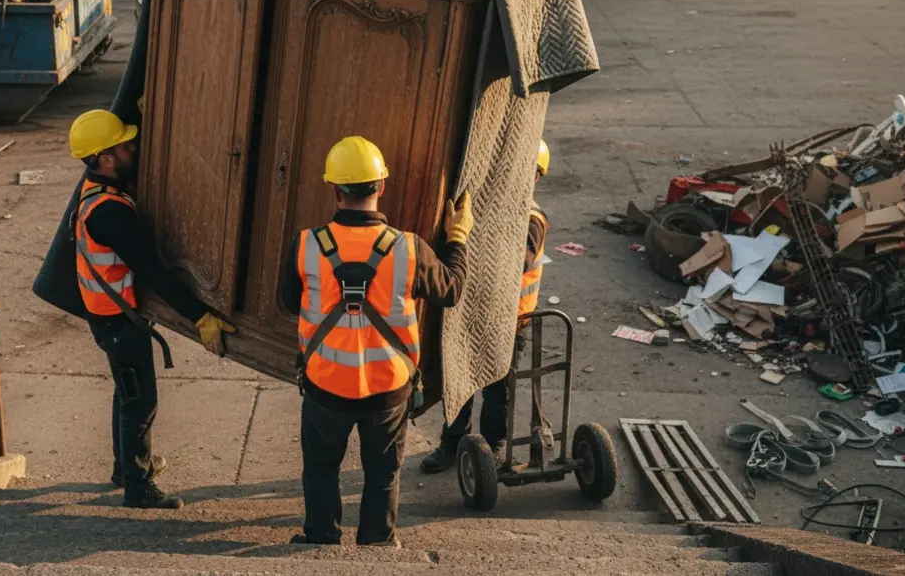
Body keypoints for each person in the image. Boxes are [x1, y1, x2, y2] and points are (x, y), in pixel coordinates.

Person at [279, 136, 472, 547]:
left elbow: (285, 303)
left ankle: (320, 538)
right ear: (381, 187)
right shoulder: (409, 249)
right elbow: (451, 290)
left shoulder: (306, 245)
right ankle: (377, 545)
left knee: (320, 469)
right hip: (388, 388)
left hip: (325, 385)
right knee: (383, 473)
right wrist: (457, 238)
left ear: (334, 190)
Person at [68, 109, 238, 510]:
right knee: (140, 401)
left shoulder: (97, 189)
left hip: (108, 316)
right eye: (126, 145)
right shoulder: (110, 213)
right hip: (118, 321)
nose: (134, 148)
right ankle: (138, 487)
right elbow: (154, 273)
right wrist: (200, 315)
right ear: (105, 157)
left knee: (127, 393)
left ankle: (124, 467)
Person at [419, 139, 550, 474]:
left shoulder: (532, 218)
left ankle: (493, 447)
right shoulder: (489, 207)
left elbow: (519, 262)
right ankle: (452, 444)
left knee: (496, 391)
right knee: (459, 383)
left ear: (535, 176)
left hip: (510, 321)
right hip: (471, 312)